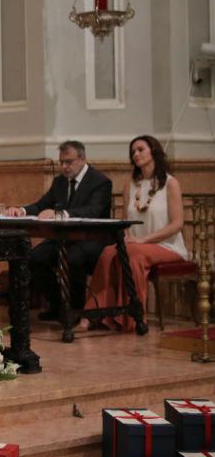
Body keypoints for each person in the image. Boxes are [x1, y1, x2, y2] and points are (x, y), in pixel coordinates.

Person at [79, 135, 189, 332]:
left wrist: (143, 240)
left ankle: (133, 318)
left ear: (153, 151)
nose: (136, 154)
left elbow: (177, 224)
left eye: (140, 149)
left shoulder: (170, 183)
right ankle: (92, 316)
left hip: (167, 246)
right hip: (135, 244)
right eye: (133, 152)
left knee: (133, 255)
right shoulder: (131, 184)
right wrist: (126, 239)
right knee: (107, 253)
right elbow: (125, 222)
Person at [5, 140, 113, 320]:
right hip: (64, 238)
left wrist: (60, 213)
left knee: (72, 258)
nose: (64, 166)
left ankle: (76, 310)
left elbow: (93, 210)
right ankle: (58, 307)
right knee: (34, 258)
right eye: (61, 162)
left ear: (82, 159)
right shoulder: (59, 182)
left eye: (68, 162)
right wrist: (21, 210)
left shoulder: (100, 181)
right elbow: (42, 205)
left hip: (93, 239)